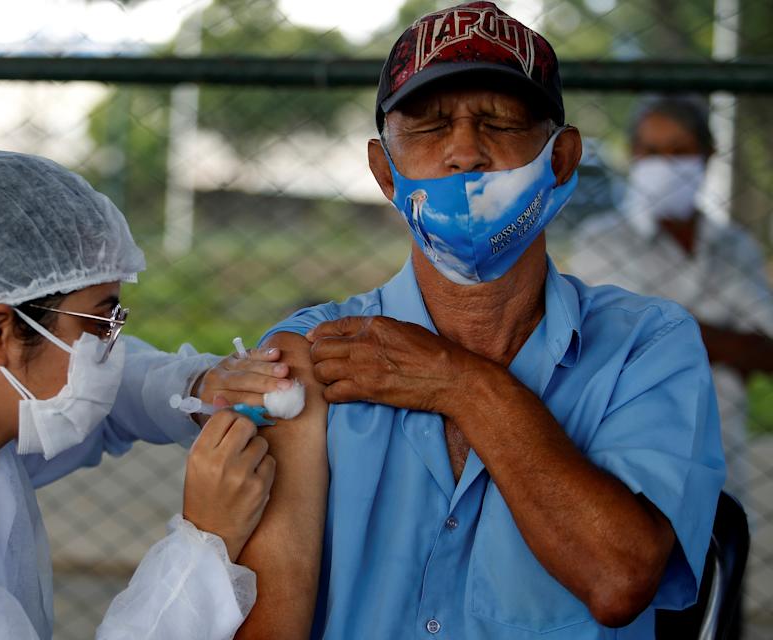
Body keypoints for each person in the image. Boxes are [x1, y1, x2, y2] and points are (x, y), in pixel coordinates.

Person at [233, 3, 726, 639]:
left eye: (499, 121)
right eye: (430, 126)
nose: (465, 151)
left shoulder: (645, 344)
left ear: (563, 158)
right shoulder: (311, 355)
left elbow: (619, 579)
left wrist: (462, 385)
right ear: (385, 171)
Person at [0, 150, 289, 640]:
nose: (112, 345)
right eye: (103, 321)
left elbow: (110, 395)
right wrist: (204, 545)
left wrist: (194, 388)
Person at [568, 94, 773, 506]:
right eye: (651, 151)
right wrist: (727, 343)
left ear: (708, 155)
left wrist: (664, 326)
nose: (664, 163)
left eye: (679, 151)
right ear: (634, 156)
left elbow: (767, 352)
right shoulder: (600, 240)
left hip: (723, 448)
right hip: (627, 451)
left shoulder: (734, 247)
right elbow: (606, 338)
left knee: (725, 562)